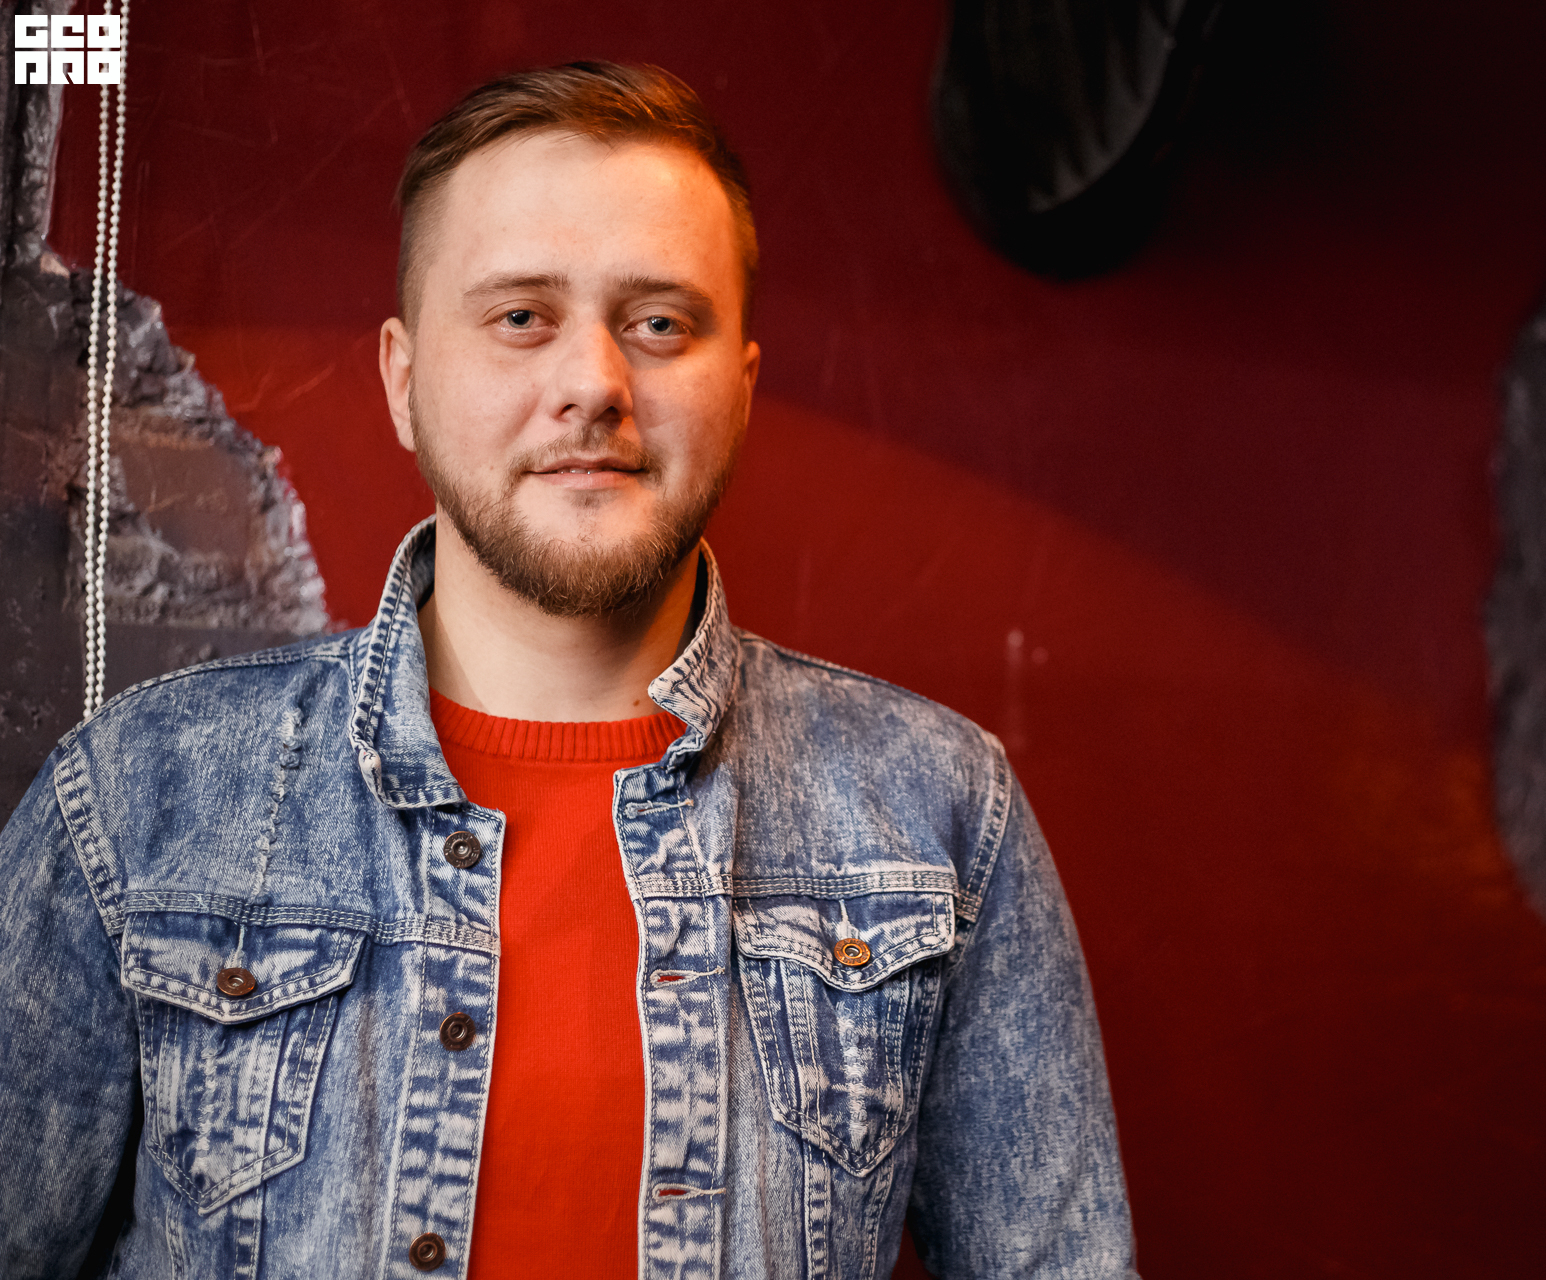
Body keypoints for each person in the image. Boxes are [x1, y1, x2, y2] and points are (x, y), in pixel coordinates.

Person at [0, 62, 1135, 1279]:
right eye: (520, 317)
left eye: (660, 323)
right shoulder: (135, 799)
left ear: (742, 390)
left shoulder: (942, 814)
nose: (594, 383)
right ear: (403, 381)